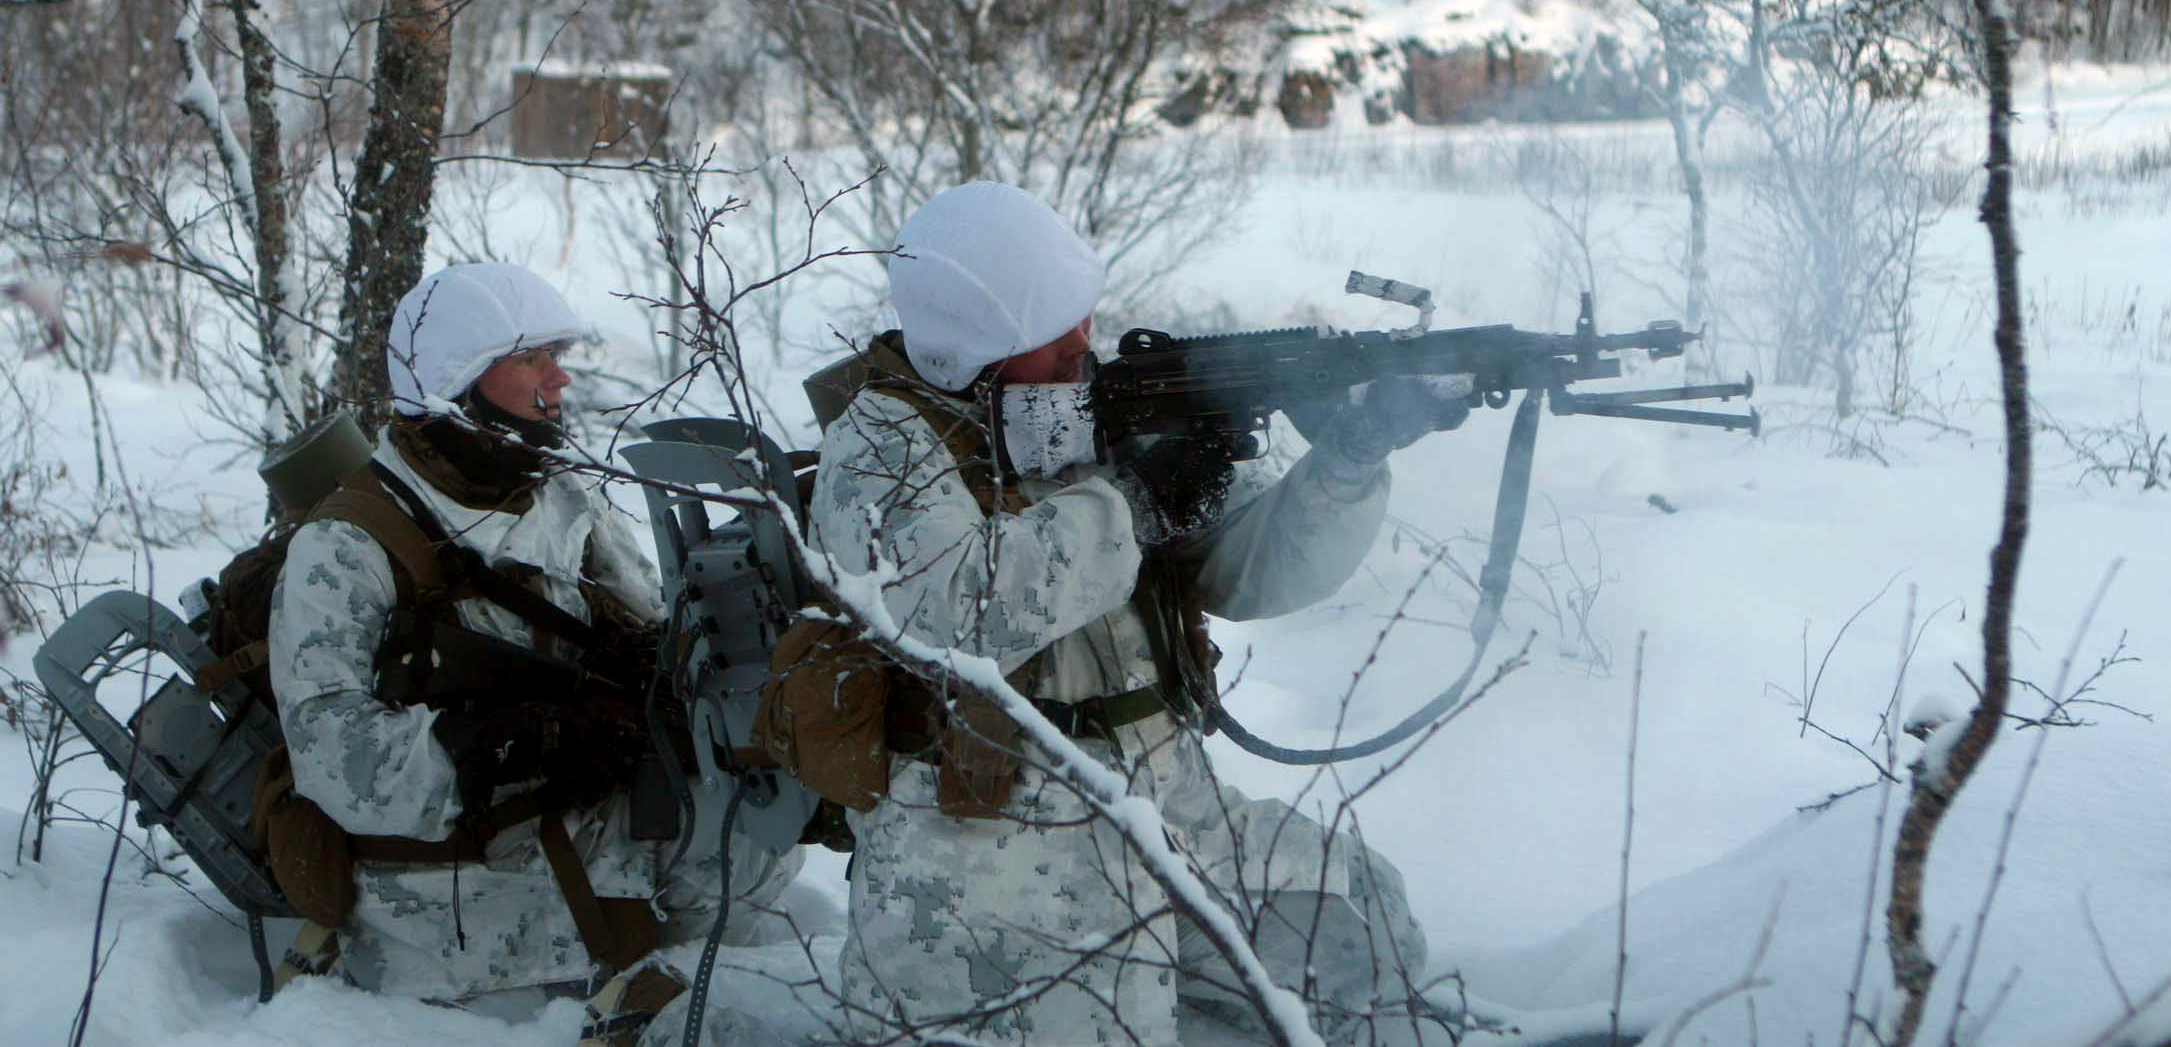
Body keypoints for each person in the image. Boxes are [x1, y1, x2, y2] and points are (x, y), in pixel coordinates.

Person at [808, 183, 1470, 1047]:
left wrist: (1351, 452)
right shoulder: (880, 447)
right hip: (986, 850)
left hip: (1169, 804)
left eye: (1083, 316)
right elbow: (959, 611)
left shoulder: (1091, 408)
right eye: (1053, 326)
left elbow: (1252, 572)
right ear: (974, 341)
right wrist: (1133, 500)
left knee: (1357, 923)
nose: (1083, 344)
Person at [267, 262, 796, 1013]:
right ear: (458, 378)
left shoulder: (554, 487)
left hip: (572, 825)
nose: (560, 379)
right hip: (448, 899)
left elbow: (650, 620)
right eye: (530, 358)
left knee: (761, 835)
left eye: (557, 355)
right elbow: (328, 754)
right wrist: (502, 742)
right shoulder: (347, 542)